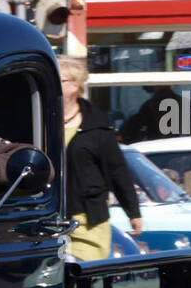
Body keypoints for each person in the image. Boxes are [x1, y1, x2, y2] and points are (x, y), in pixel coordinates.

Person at [58, 56, 142, 261]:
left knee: (83, 278)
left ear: (75, 86)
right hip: (50, 221)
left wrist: (133, 213)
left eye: (58, 80)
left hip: (88, 221)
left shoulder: (98, 128)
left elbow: (117, 171)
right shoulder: (42, 123)